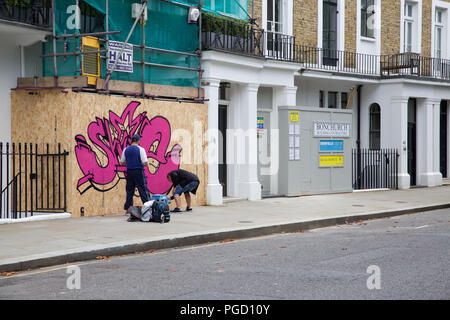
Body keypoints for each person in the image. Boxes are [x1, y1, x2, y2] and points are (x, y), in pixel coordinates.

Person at [119, 134, 151, 215]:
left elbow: (122, 162)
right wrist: (146, 164)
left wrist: (130, 162)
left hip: (129, 172)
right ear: (138, 141)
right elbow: (145, 162)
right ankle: (148, 208)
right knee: (143, 190)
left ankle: (128, 209)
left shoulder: (126, 149)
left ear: (132, 141)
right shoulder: (141, 149)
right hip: (138, 171)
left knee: (129, 190)